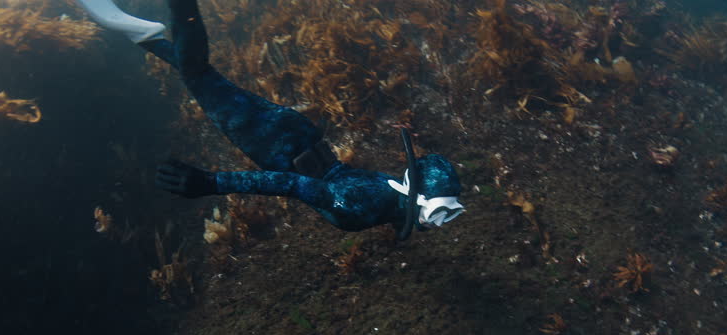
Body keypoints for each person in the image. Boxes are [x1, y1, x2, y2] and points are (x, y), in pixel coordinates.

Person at [76, 0, 465, 238]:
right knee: (200, 76)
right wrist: (212, 182)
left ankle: (146, 38)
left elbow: (408, 185)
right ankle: (173, 13)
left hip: (298, 133)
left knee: (210, 82)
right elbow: (291, 184)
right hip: (272, 143)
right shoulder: (362, 205)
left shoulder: (393, 194)